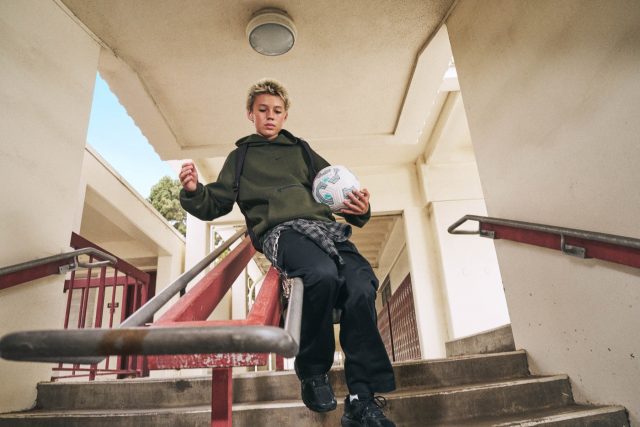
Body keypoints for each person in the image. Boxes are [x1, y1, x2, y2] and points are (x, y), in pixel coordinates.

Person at [179, 79, 396, 427]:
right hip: (282, 232)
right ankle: (313, 372)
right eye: (262, 109)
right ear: (250, 114)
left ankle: (362, 400)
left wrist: (360, 208)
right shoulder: (240, 157)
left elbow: (337, 190)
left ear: (285, 115)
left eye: (277, 111)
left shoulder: (301, 150)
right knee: (321, 274)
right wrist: (193, 191)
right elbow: (215, 202)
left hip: (324, 227)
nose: (270, 116)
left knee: (361, 286)